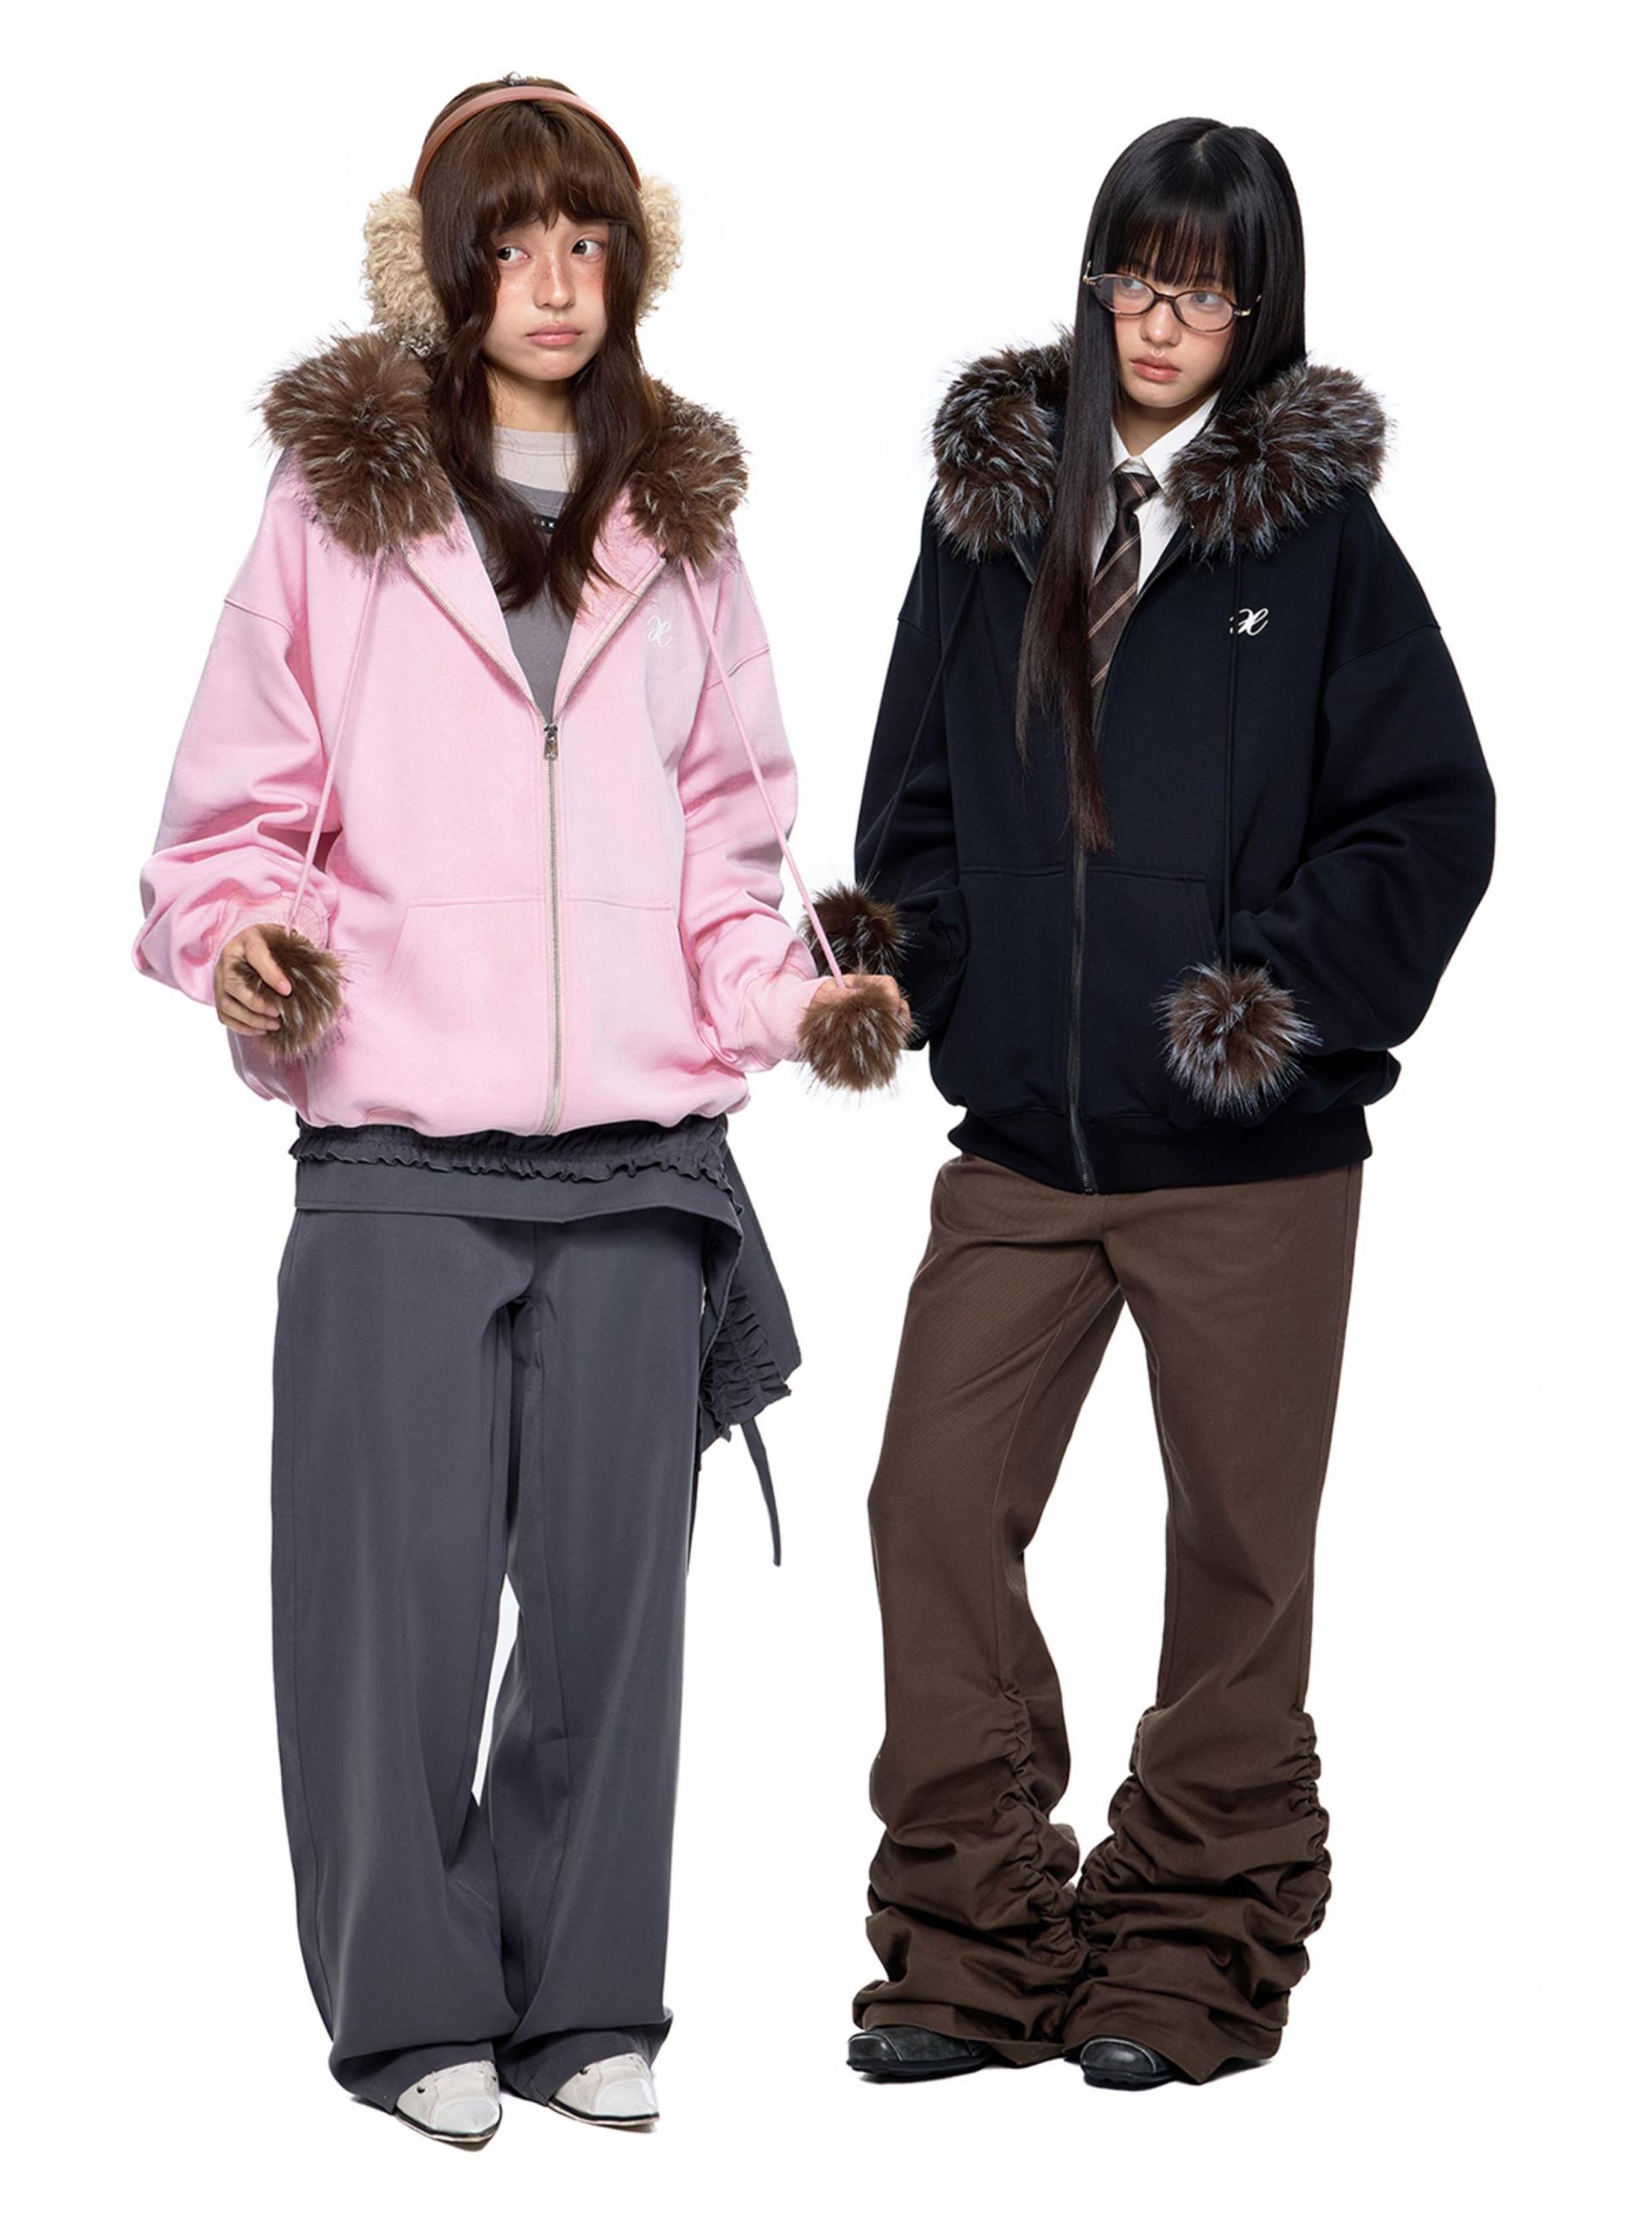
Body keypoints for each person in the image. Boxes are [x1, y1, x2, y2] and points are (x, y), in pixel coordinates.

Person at [132, 73, 905, 2146]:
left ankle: (582, 2002)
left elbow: (728, 848)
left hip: (639, 1162)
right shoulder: (337, 509)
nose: (557, 284)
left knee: (608, 1618)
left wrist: (803, 996)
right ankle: (410, 2018)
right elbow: (226, 824)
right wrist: (248, 947)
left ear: (630, 266)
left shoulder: (686, 524)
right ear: (445, 264)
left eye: (590, 244)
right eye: (516, 244)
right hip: (399, 1148)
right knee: (382, 1614)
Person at [806, 115, 1496, 2092]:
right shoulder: (989, 519)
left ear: (1260, 306)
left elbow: (1431, 819)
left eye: (1206, 286)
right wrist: (914, 972)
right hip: (1026, 1145)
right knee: (931, 1501)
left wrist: (1262, 1009)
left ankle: (1192, 1944)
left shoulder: (1318, 542)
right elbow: (915, 806)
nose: (1163, 318)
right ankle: (973, 1933)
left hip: (1249, 1157)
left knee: (1239, 1551)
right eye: (1138, 275)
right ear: (1097, 277)